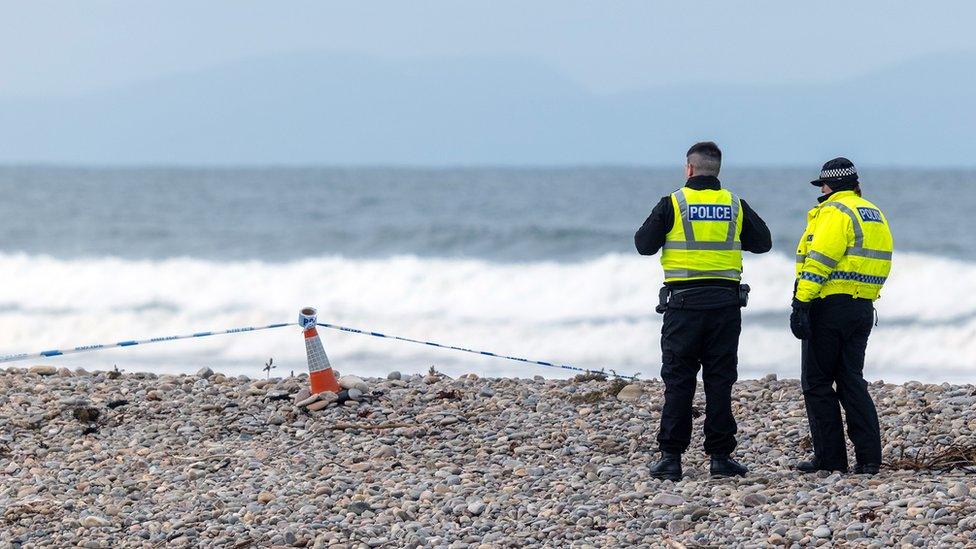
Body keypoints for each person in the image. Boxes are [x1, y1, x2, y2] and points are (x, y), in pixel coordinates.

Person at [635, 142, 771, 480]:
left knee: (679, 381)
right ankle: (720, 457)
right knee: (719, 381)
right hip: (725, 306)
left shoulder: (673, 203)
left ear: (689, 169)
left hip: (683, 307)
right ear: (717, 170)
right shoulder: (734, 205)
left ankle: (671, 459)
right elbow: (763, 242)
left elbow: (643, 245)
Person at [790, 157, 893, 475]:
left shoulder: (835, 212)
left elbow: (820, 260)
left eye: (821, 185)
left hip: (829, 308)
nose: (820, 190)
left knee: (817, 383)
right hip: (862, 307)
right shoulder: (873, 213)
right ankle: (869, 459)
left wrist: (800, 303)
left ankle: (831, 459)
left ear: (829, 186)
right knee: (851, 381)